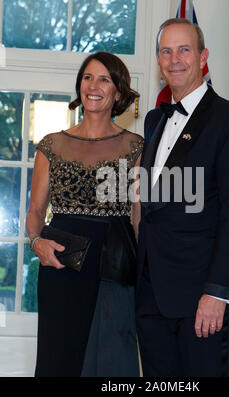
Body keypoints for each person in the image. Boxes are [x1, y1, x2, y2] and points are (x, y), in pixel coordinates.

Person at [135, 18, 229, 377]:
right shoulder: (154, 120)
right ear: (158, 60)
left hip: (202, 299)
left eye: (184, 49)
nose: (174, 59)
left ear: (203, 57)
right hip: (152, 296)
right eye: (165, 51)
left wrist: (217, 294)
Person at [26, 51, 143, 377]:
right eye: (88, 77)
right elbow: (35, 211)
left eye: (104, 79)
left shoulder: (136, 147)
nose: (94, 85)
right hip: (61, 265)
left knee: (111, 361)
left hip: (114, 267)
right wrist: (37, 243)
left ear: (118, 91)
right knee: (59, 360)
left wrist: (146, 272)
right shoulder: (51, 145)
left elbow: (138, 217)